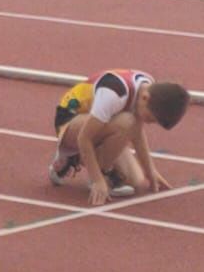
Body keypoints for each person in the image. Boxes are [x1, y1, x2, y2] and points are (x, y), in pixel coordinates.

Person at [48, 69, 189, 205]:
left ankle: (93, 164)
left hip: (102, 126)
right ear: (146, 98)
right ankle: (72, 157)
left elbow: (137, 134)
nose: (148, 123)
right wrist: (97, 179)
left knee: (137, 182)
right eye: (149, 118)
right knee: (128, 121)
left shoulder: (148, 87)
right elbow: (84, 138)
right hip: (71, 121)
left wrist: (150, 171)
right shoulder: (114, 93)